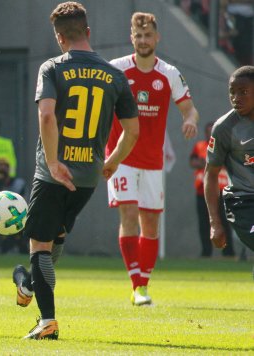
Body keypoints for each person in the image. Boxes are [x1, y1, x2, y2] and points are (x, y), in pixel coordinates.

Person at [11, 2, 139, 340]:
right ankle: (28, 283)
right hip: (87, 178)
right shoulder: (115, 75)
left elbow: (47, 117)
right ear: (88, 32)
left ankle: (47, 321)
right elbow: (133, 130)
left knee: (39, 246)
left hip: (53, 173)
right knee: (56, 239)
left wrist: (53, 162)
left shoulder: (53, 68)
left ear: (59, 36)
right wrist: (111, 162)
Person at [105, 12, 199, 306]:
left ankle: (142, 284)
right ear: (131, 38)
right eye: (138, 36)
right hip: (121, 156)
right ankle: (137, 285)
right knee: (129, 215)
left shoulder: (169, 73)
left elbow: (189, 109)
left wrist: (190, 121)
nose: (143, 41)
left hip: (152, 160)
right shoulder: (116, 70)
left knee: (151, 223)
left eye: (148, 36)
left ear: (157, 38)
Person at [205, 65, 254, 253]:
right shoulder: (224, 128)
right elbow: (210, 175)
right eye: (232, 92)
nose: (236, 98)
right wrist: (215, 223)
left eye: (243, 92)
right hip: (243, 202)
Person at [190, 121, 235, 257]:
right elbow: (193, 161)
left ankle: (228, 252)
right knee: (204, 223)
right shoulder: (200, 146)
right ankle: (206, 252)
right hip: (202, 191)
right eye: (208, 132)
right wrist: (204, 162)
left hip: (222, 191)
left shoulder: (225, 146)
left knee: (224, 221)